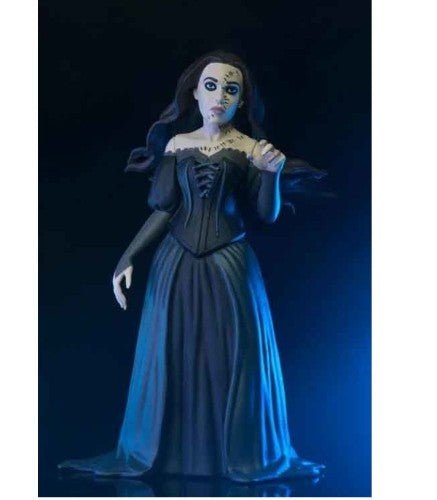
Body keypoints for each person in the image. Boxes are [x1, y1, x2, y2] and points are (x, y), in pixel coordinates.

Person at [58, 50, 329, 483]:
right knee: (172, 355)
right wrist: (128, 256)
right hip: (175, 263)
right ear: (195, 94)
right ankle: (173, 456)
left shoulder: (252, 150)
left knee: (232, 358)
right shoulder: (176, 145)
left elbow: (267, 214)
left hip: (230, 264)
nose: (220, 96)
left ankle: (234, 455)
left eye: (231, 89)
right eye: (211, 86)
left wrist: (272, 175)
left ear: (241, 100)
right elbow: (165, 208)